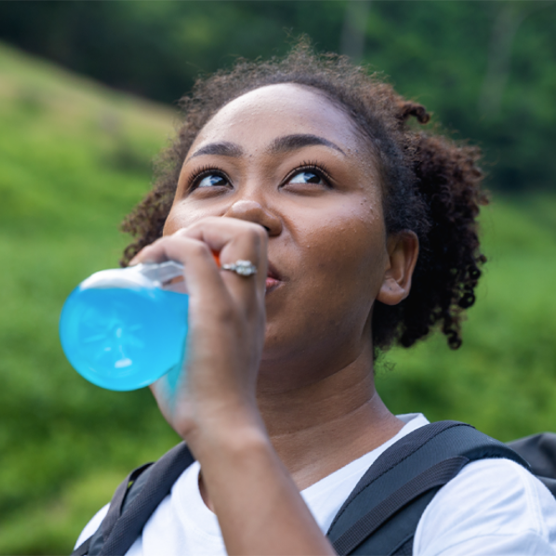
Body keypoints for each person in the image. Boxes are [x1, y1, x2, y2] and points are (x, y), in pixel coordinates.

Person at [75, 43, 556, 555]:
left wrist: (224, 429)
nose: (245, 211)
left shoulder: (483, 509)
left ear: (393, 265)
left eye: (308, 176)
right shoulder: (118, 526)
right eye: (212, 179)